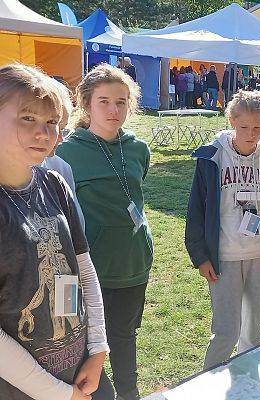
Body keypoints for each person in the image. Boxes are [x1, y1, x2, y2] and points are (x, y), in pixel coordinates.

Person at [0, 64, 114, 400]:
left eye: (51, 122)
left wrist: (97, 349)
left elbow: (80, 271)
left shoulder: (54, 183)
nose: (44, 132)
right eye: (27, 118)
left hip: (83, 370)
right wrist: (58, 393)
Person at [57, 64, 153, 400]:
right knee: (82, 343)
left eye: (122, 102)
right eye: (104, 101)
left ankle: (130, 394)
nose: (114, 110)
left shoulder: (139, 148)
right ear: (86, 104)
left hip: (133, 264)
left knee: (125, 336)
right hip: (88, 272)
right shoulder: (66, 152)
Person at [185, 90, 260, 370]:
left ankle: (246, 383)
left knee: (252, 332)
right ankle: (207, 384)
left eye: (258, 127)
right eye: (244, 126)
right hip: (224, 257)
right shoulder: (212, 158)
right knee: (226, 331)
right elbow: (196, 210)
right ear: (232, 121)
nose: (251, 134)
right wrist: (201, 256)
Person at [42, 79, 85, 230]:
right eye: (50, 124)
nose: (59, 138)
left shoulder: (60, 169)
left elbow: (77, 231)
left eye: (63, 129)